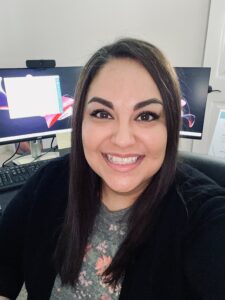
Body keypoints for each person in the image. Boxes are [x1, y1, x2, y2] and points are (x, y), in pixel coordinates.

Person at [0, 38, 225, 300]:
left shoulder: (204, 220)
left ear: (171, 126)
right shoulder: (49, 182)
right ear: (80, 120)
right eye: (102, 114)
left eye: (146, 116)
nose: (122, 140)